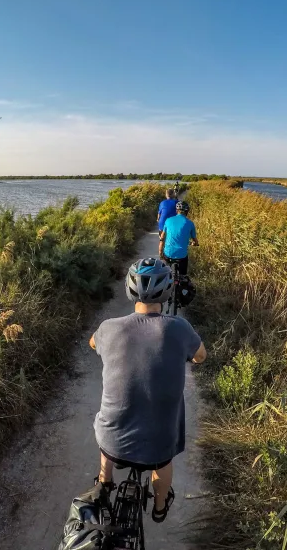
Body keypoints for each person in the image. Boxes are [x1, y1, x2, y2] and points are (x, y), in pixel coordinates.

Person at [88, 258, 207, 523]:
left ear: (130, 290)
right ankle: (160, 506)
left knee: (107, 423)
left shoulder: (109, 328)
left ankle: (105, 482)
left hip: (113, 441)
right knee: (162, 463)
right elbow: (201, 356)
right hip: (159, 443)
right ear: (167, 292)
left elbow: (92, 343)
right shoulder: (179, 328)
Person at [159, 200, 198, 276]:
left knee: (167, 274)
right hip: (182, 256)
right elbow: (195, 241)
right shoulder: (190, 223)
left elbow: (162, 237)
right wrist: (194, 243)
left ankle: (168, 277)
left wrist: (160, 252)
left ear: (176, 211)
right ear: (187, 212)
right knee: (183, 276)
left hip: (168, 254)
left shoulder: (168, 220)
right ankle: (182, 278)